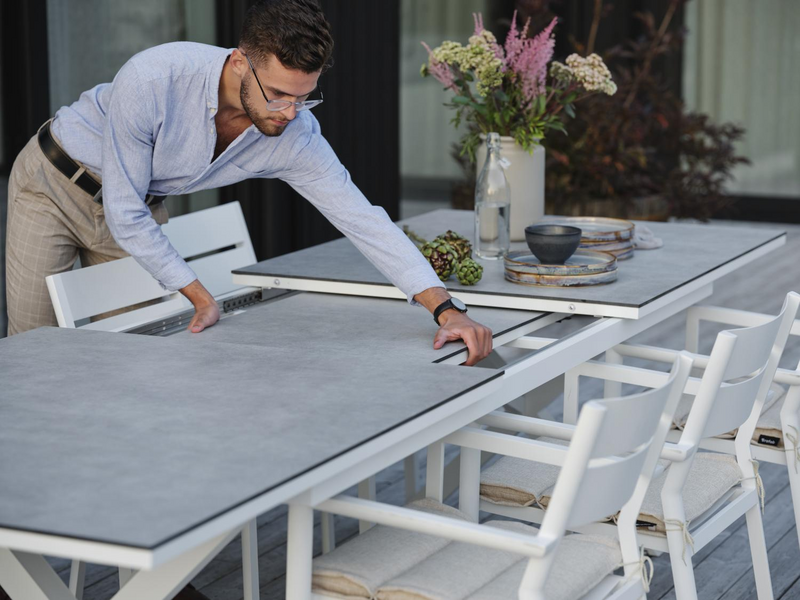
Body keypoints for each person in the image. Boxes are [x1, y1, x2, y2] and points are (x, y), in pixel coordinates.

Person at [2, 1, 492, 598]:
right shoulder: (155, 78)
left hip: (136, 208)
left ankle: (150, 569)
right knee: (32, 367)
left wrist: (443, 307)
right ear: (240, 62)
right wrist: (199, 294)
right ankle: (18, 566)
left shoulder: (294, 133)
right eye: (280, 95)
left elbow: (363, 219)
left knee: (136, 384)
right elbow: (126, 212)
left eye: (304, 97)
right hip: (53, 183)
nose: (290, 113)